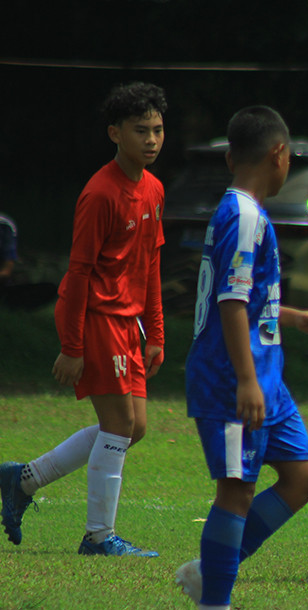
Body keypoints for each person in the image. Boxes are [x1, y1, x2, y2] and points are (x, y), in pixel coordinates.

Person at [174, 106, 308, 610]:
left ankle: (208, 572)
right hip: (233, 378)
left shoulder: (244, 212)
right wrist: (245, 379)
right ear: (278, 155)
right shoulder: (243, 216)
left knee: (301, 477)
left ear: (229, 158)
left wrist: (292, 317)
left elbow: (246, 297)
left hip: (266, 376)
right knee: (237, 489)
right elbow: (231, 302)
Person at [0, 82, 168, 556]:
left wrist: (155, 332)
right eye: (140, 130)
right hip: (97, 319)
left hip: (128, 324)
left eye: (158, 130)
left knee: (134, 427)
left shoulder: (154, 190)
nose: (151, 140)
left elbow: (150, 264)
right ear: (115, 133)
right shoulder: (100, 193)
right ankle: (98, 537)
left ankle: (23, 480)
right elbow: (78, 273)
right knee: (118, 425)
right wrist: (72, 346)